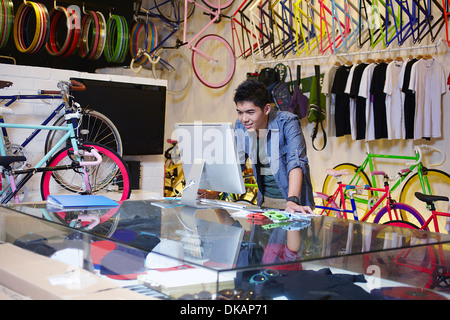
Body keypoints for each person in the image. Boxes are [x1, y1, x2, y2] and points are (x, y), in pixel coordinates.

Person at [233, 79, 314, 214]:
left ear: (266, 109)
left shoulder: (287, 122)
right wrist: (212, 191)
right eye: (240, 112)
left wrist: (292, 201)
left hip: (292, 203)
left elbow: (296, 162)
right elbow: (237, 163)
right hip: (264, 203)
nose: (244, 119)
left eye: (250, 112)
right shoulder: (240, 126)